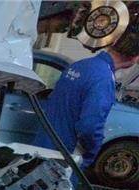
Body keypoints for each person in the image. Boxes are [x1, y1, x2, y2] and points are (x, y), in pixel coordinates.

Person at [33, 31, 139, 169]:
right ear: (135, 58)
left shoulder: (80, 65)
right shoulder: (103, 78)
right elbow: (89, 126)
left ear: (112, 44)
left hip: (44, 143)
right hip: (65, 155)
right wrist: (92, 151)